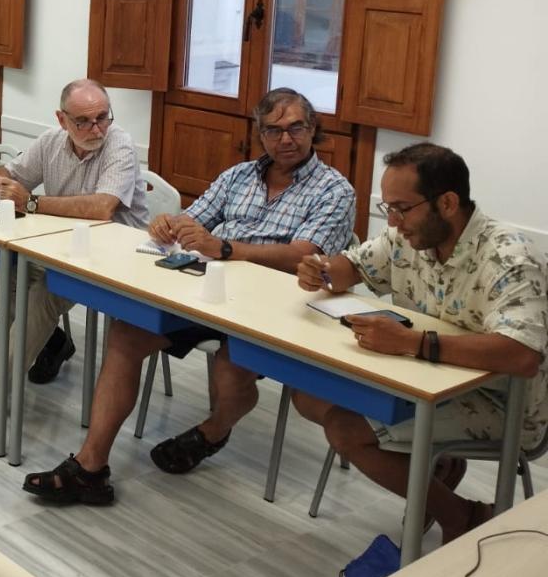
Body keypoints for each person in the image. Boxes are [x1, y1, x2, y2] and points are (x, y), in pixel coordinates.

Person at [19, 87, 354, 508]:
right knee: (125, 335)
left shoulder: (334, 190)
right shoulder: (240, 175)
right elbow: (193, 220)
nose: (285, 139)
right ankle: (90, 467)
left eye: (295, 128)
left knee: (230, 373)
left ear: (312, 128)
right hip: (209, 290)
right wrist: (169, 225)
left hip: (274, 309)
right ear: (260, 134)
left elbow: (303, 255)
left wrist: (227, 248)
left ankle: (213, 431)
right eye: (273, 130)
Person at [293, 143, 548, 542]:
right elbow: (352, 267)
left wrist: (413, 343)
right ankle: (441, 470)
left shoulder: (510, 258)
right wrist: (322, 272)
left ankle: (463, 515)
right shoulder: (408, 237)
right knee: (308, 394)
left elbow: (521, 354)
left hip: (501, 402)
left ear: (447, 203)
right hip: (425, 378)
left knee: (345, 428)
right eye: (388, 208)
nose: (393, 221)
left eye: (402, 208)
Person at [0, 80, 149, 422]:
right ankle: (51, 340)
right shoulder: (51, 141)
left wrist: (32, 202)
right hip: (59, 248)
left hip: (113, 259)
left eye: (102, 117)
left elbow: (102, 208)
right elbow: (14, 174)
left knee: (45, 294)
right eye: (83, 121)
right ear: (62, 119)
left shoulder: (119, 144)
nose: (96, 128)